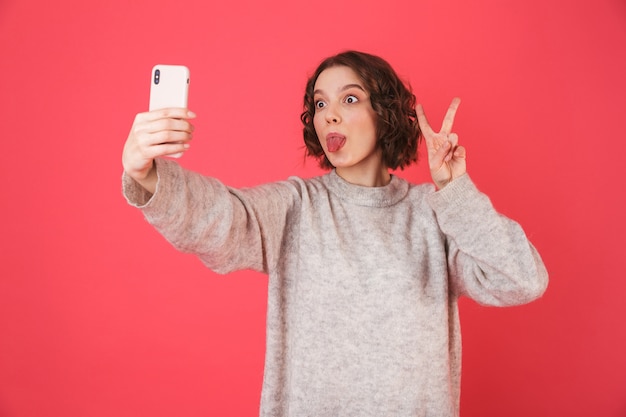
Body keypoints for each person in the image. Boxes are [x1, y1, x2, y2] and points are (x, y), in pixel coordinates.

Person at [122, 50, 548, 417]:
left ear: (385, 113)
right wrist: (145, 172)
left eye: (349, 98)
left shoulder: (432, 217)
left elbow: (522, 279)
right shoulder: (297, 207)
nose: (330, 114)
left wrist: (456, 192)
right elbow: (223, 219)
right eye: (320, 104)